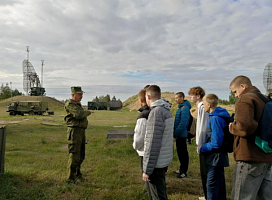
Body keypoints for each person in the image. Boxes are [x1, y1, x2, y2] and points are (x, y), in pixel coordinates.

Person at [229, 75, 272, 200]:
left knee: (242, 196)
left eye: (235, 92)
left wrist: (232, 127)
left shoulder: (245, 99)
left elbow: (244, 127)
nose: (236, 95)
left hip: (250, 156)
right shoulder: (265, 99)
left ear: (243, 86)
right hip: (266, 155)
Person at [142, 85, 173, 200]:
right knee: (160, 193)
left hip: (156, 163)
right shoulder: (166, 110)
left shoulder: (156, 112)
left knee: (157, 196)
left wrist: (147, 170)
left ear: (148, 96)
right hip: (163, 160)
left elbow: (152, 143)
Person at [199, 94, 230, 200]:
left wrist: (202, 147)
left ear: (209, 104)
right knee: (219, 184)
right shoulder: (217, 116)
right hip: (218, 157)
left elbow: (216, 142)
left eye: (203, 104)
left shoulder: (215, 118)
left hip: (215, 158)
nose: (203, 106)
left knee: (211, 185)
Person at [64, 86, 93, 184]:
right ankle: (70, 178)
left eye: (82, 94)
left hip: (81, 131)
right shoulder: (70, 104)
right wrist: (88, 112)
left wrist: (84, 112)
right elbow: (79, 115)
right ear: (73, 95)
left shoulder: (77, 104)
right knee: (74, 154)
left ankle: (77, 174)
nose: (81, 96)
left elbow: (81, 113)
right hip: (74, 131)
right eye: (79, 94)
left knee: (81, 155)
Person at [188, 86, 209, 199]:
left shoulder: (202, 107)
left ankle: (207, 195)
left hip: (203, 144)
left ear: (198, 96)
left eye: (192, 95)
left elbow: (203, 128)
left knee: (205, 172)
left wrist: (200, 145)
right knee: (204, 172)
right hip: (202, 143)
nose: (190, 97)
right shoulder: (200, 107)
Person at [173, 92, 191, 178]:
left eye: (177, 98)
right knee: (180, 152)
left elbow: (183, 123)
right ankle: (181, 169)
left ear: (182, 98)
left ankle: (184, 171)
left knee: (183, 153)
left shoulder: (185, 108)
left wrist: (176, 133)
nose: (176, 99)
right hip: (179, 134)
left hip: (181, 134)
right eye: (175, 98)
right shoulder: (180, 108)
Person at [133, 89, 150, 172]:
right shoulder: (157, 111)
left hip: (145, 151)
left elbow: (139, 137)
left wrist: (135, 146)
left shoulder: (143, 116)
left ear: (141, 100)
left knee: (148, 178)